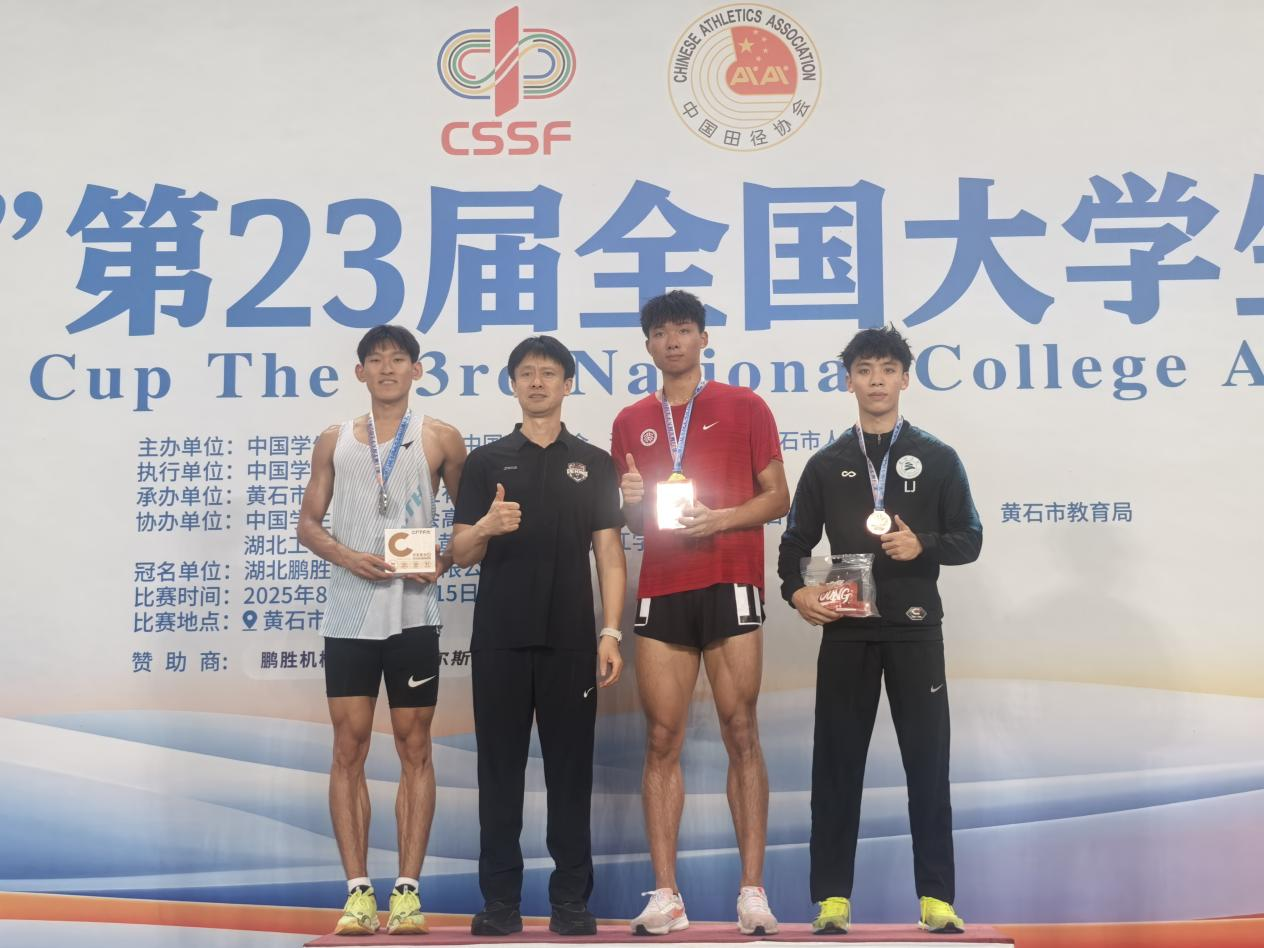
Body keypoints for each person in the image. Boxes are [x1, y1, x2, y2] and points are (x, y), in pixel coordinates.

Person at [776, 326, 981, 935]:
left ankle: (936, 898)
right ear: (849, 381)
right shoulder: (827, 463)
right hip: (847, 630)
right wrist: (798, 593)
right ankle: (831, 899)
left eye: (888, 370)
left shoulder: (938, 457)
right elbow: (792, 546)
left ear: (905, 379)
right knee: (836, 767)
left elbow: (970, 539)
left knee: (927, 764)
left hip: (916, 629)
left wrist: (924, 545)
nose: (876, 381)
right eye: (864, 370)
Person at [611, 290, 789, 936]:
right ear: (648, 346)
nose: (673, 341)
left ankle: (752, 892)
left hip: (730, 580)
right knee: (662, 738)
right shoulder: (631, 420)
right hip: (663, 586)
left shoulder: (745, 406)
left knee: (742, 730)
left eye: (684, 330)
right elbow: (635, 523)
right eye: (661, 333)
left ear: (703, 339)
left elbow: (779, 497)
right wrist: (632, 500)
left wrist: (721, 519)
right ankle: (666, 895)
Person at [451, 335, 626, 937]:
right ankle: (500, 903)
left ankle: (570, 902)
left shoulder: (594, 462)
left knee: (570, 775)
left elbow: (609, 553)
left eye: (549, 373)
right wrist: (486, 526)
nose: (537, 382)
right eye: (526, 373)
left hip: (572, 639)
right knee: (498, 774)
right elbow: (460, 552)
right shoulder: (486, 462)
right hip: (499, 639)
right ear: (512, 383)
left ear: (567, 384)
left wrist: (610, 631)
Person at [297, 324, 467, 936]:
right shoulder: (334, 440)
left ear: (417, 370)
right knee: (348, 747)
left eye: (399, 359)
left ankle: (408, 893)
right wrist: (348, 556)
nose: (387, 368)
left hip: (414, 615)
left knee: (415, 746)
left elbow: (470, 524)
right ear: (360, 371)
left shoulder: (441, 437)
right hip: (348, 614)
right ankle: (357, 893)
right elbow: (308, 524)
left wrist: (440, 561)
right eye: (376, 360)